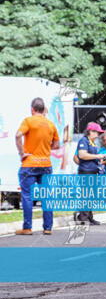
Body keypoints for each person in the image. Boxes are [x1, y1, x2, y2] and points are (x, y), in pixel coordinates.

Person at [14, 98, 59, 235]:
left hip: (30, 164)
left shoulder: (29, 121)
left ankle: (27, 228)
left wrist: (22, 153)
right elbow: (56, 145)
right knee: (47, 196)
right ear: (42, 108)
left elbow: (17, 135)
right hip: (46, 164)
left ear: (32, 109)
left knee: (27, 195)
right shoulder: (51, 124)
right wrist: (45, 149)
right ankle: (48, 228)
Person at [75, 122, 106, 225]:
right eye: (97, 132)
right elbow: (82, 155)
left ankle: (89, 217)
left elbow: (94, 158)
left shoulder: (93, 143)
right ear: (91, 131)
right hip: (86, 171)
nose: (99, 135)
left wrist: (103, 158)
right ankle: (83, 218)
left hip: (93, 171)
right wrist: (98, 156)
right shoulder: (83, 141)